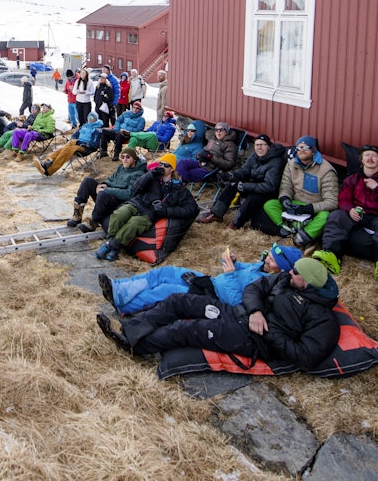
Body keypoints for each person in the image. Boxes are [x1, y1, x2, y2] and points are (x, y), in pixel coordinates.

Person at [96, 256, 339, 371]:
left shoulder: (323, 320)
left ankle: (134, 345)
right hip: (238, 312)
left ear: (305, 283)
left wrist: (267, 331)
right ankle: (131, 328)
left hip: (251, 338)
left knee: (188, 329)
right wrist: (255, 310)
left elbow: (306, 355)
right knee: (179, 300)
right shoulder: (285, 280)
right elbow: (255, 287)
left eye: (295, 271)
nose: (289, 272)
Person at [99, 243, 302, 315]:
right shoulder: (260, 266)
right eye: (269, 256)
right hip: (209, 282)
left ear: (282, 270)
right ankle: (119, 289)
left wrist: (230, 274)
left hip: (214, 299)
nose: (267, 260)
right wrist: (234, 261)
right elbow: (242, 269)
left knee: (166, 290)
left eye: (273, 261)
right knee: (165, 272)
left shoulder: (271, 288)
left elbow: (237, 304)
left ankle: (125, 307)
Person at [314, 144, 378, 277]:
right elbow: (343, 200)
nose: (370, 158)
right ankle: (331, 255)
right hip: (355, 216)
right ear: (361, 160)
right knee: (336, 215)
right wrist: (350, 210)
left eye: (374, 156)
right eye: (367, 155)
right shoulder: (353, 179)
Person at [95, 157, 198, 262]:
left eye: (166, 165)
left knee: (133, 224)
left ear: (172, 169)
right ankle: (113, 244)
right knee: (120, 213)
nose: (162, 167)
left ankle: (111, 246)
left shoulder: (179, 189)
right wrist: (150, 174)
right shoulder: (152, 178)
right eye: (160, 164)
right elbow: (135, 189)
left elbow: (193, 209)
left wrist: (166, 211)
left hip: (151, 213)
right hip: (137, 203)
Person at [245, 135, 339, 247]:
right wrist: (285, 199)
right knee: (270, 205)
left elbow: (332, 202)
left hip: (314, 208)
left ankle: (303, 237)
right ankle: (286, 229)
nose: (301, 150)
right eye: (298, 148)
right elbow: (286, 187)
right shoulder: (291, 164)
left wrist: (309, 208)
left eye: (305, 147)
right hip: (295, 206)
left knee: (325, 217)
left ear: (313, 150)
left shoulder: (326, 170)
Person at [196, 133, 288, 227]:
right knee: (232, 185)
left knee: (253, 197)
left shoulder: (276, 162)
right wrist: (233, 175)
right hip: (255, 185)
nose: (259, 148)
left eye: (262, 145)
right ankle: (216, 214)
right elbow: (245, 170)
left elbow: (270, 186)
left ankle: (236, 223)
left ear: (268, 146)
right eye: (257, 145)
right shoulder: (254, 156)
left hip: (269, 194)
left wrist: (244, 186)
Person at [67, 148, 147, 231]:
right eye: (122, 157)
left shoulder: (138, 174)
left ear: (134, 159)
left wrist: (107, 190)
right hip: (108, 195)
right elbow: (111, 179)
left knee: (103, 194)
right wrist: (103, 184)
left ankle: (94, 222)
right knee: (88, 181)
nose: (125, 160)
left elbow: (129, 194)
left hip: (118, 202)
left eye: (128, 157)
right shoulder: (121, 168)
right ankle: (78, 214)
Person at [34, 112, 103, 176]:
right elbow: (75, 134)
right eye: (89, 117)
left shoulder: (97, 130)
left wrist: (80, 143)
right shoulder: (84, 126)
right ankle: (45, 163)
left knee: (66, 149)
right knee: (61, 149)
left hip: (86, 148)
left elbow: (94, 144)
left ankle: (49, 171)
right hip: (76, 143)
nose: (90, 119)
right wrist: (72, 139)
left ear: (96, 119)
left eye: (92, 118)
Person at [174, 121, 239, 182]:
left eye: (221, 130)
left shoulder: (230, 145)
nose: (218, 132)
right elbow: (204, 150)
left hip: (209, 170)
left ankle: (181, 182)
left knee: (188, 172)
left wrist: (211, 157)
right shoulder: (212, 140)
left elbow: (229, 164)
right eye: (216, 130)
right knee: (181, 163)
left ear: (226, 132)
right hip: (201, 163)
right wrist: (198, 155)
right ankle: (181, 179)